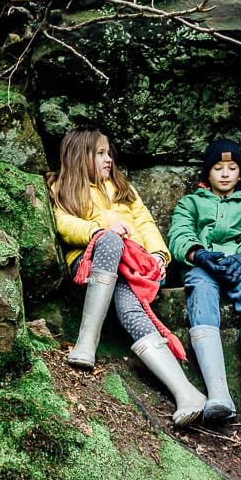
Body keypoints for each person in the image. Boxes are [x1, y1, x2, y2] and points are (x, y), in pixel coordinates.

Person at [47, 127, 207, 426]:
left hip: (129, 270)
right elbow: (64, 224)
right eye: (100, 153)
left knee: (130, 308)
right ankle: (86, 343)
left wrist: (159, 255)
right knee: (110, 240)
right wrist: (98, 231)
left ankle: (186, 393)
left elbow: (145, 223)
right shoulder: (61, 186)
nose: (109, 159)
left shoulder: (122, 187)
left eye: (109, 153)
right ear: (79, 156)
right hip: (90, 261)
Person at [167, 138, 241, 424]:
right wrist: (199, 255)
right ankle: (219, 394)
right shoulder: (190, 202)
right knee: (201, 294)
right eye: (218, 167)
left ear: (240, 174)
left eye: (232, 168)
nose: (224, 173)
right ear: (207, 172)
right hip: (205, 266)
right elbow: (179, 234)